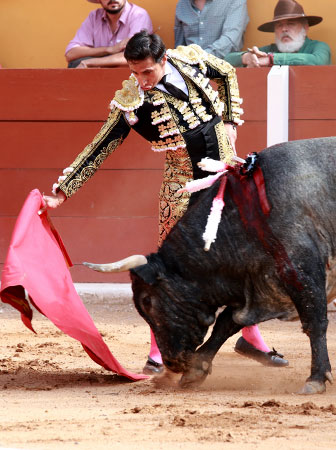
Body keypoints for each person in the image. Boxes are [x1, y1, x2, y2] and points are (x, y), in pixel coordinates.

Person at [44, 31, 288, 374]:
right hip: (182, 185)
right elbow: (101, 145)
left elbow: (227, 72)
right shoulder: (132, 102)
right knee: (169, 271)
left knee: (244, 258)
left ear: (164, 61)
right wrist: (62, 191)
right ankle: (158, 350)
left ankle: (249, 336)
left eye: (147, 73)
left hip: (225, 177)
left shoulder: (190, 59)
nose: (141, 81)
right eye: (134, 72)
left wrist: (231, 119)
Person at [225, 0, 330, 68]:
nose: (284, 29)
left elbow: (318, 61)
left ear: (305, 27)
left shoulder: (318, 47)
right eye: (279, 25)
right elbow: (227, 59)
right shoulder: (270, 50)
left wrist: (271, 59)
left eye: (291, 24)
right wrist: (246, 57)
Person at [65, 0, 153, 68]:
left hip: (128, 81)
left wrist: (90, 62)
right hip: (97, 79)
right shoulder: (94, 17)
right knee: (75, 63)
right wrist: (109, 49)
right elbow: (71, 53)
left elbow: (137, 55)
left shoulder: (138, 15)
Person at [174, 0, 249, 59]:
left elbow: (231, 41)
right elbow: (179, 47)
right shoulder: (182, 5)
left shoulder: (234, 1)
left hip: (223, 69)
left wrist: (200, 58)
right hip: (190, 70)